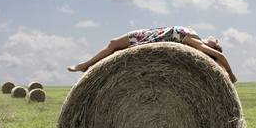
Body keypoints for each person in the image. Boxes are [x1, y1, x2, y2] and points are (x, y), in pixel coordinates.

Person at [67, 26, 238, 83]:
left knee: (113, 45)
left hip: (147, 39)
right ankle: (89, 68)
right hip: (150, 34)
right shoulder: (197, 38)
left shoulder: (198, 44)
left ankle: (85, 66)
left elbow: (221, 58)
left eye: (217, 43)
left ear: (213, 49)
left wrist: (230, 74)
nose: (216, 39)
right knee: (114, 48)